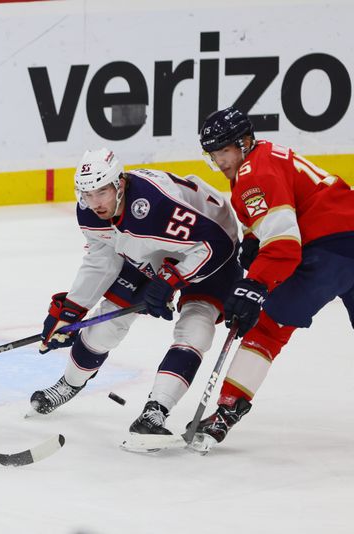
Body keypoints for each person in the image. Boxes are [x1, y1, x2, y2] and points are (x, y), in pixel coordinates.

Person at [31, 148, 241, 451]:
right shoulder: (90, 210)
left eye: (102, 191)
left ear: (120, 183)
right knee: (107, 322)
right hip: (152, 249)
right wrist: (72, 309)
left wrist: (172, 279)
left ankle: (155, 411)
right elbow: (102, 260)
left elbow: (215, 244)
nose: (95, 202)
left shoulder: (155, 205)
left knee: (196, 327)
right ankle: (69, 384)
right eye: (87, 193)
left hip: (211, 250)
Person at [190, 106, 354, 452]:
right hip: (344, 235)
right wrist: (253, 243)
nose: (220, 162)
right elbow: (280, 214)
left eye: (224, 151)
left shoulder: (252, 175)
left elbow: (283, 244)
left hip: (329, 250)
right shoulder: (266, 158)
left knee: (268, 326)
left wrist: (255, 286)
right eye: (214, 154)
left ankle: (228, 408)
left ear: (244, 142)